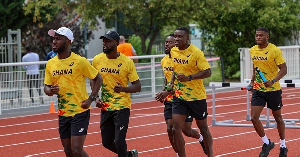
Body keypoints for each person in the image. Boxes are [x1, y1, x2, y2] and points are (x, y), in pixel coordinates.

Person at [44, 27, 102, 157]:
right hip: (63, 112)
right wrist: (51, 91)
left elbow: (98, 78)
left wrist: (91, 98)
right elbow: (46, 88)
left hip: (79, 111)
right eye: (54, 38)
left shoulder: (80, 61)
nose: (54, 41)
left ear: (68, 41)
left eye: (58, 39)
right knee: (68, 151)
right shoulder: (50, 64)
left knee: (76, 149)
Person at [155, 33, 207, 156]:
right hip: (170, 98)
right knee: (170, 128)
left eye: (170, 42)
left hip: (183, 97)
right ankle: (179, 154)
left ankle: (201, 138)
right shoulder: (164, 61)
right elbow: (167, 79)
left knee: (187, 131)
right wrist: (164, 91)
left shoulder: (181, 59)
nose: (167, 44)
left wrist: (167, 91)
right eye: (166, 42)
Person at [92, 31, 141, 157]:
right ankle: (129, 155)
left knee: (119, 141)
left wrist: (123, 89)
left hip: (122, 106)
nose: (105, 43)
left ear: (116, 43)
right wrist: (96, 97)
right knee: (106, 142)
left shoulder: (127, 62)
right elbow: (94, 80)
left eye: (108, 41)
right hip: (105, 106)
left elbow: (137, 86)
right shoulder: (97, 60)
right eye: (104, 41)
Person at [170, 27, 213, 157]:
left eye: (180, 37)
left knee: (203, 129)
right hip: (180, 96)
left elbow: (208, 72)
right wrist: (172, 83)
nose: (176, 39)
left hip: (196, 97)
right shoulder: (173, 51)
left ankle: (210, 154)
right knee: (175, 129)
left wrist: (189, 77)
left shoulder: (196, 52)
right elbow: (175, 69)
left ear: (187, 38)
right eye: (175, 36)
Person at [249, 27, 288, 157]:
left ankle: (283, 145)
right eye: (256, 35)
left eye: (261, 35)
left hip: (273, 90)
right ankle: (267, 143)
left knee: (278, 118)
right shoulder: (253, 50)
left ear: (267, 37)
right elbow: (255, 66)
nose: (258, 37)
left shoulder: (274, 50)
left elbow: (283, 69)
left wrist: (273, 80)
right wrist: (252, 81)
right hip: (259, 89)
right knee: (254, 118)